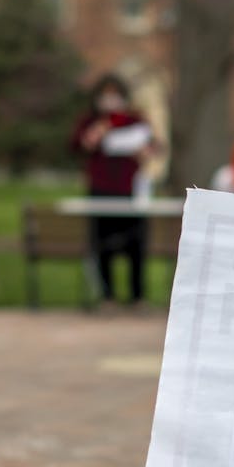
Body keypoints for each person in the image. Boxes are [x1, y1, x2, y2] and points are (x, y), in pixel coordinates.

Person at [72, 73, 158, 309]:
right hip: (101, 189)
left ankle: (137, 296)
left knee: (136, 245)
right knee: (102, 244)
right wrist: (95, 134)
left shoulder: (134, 121)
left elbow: (154, 147)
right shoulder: (91, 121)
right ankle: (107, 295)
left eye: (115, 95)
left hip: (130, 191)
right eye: (106, 95)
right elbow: (77, 145)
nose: (110, 100)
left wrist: (145, 151)